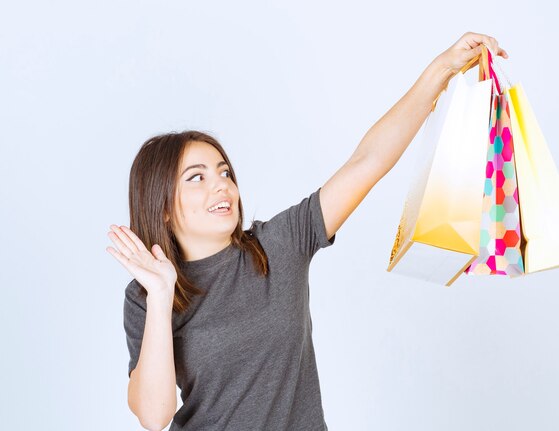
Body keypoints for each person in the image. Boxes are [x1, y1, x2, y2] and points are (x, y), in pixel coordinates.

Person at [106, 32, 507, 431]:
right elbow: (153, 415)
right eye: (197, 177)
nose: (222, 185)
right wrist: (160, 296)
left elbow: (367, 162)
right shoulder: (145, 296)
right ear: (161, 208)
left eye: (224, 172)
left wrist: (442, 68)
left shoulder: (279, 243)